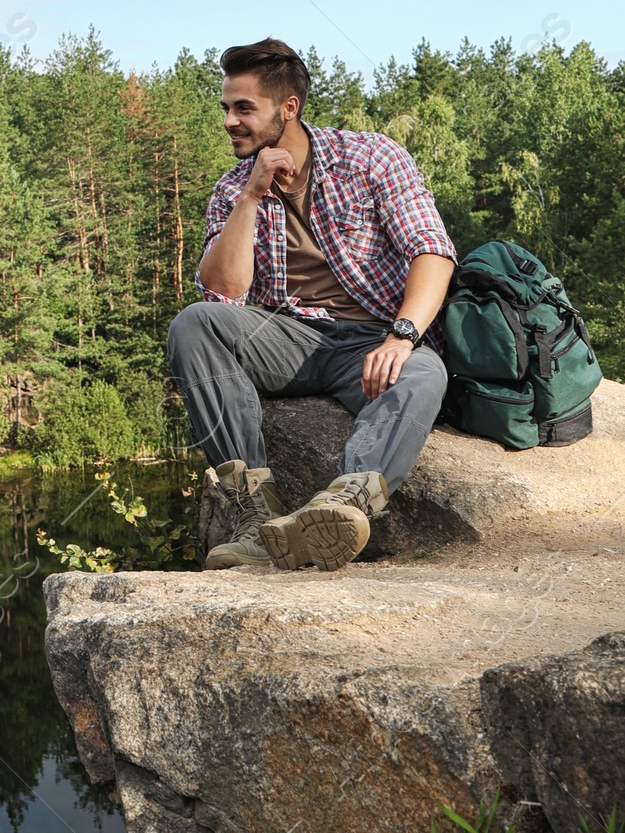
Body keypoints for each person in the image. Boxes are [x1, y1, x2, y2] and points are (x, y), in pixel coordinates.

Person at [166, 38, 455, 572]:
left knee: (424, 372)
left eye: (243, 108)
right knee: (193, 324)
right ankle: (256, 516)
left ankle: (340, 508)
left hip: (371, 338)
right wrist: (251, 197)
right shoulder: (233, 187)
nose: (229, 121)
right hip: (286, 337)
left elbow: (432, 252)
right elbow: (223, 293)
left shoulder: (371, 158)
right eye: (226, 108)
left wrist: (403, 334)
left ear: (288, 108)